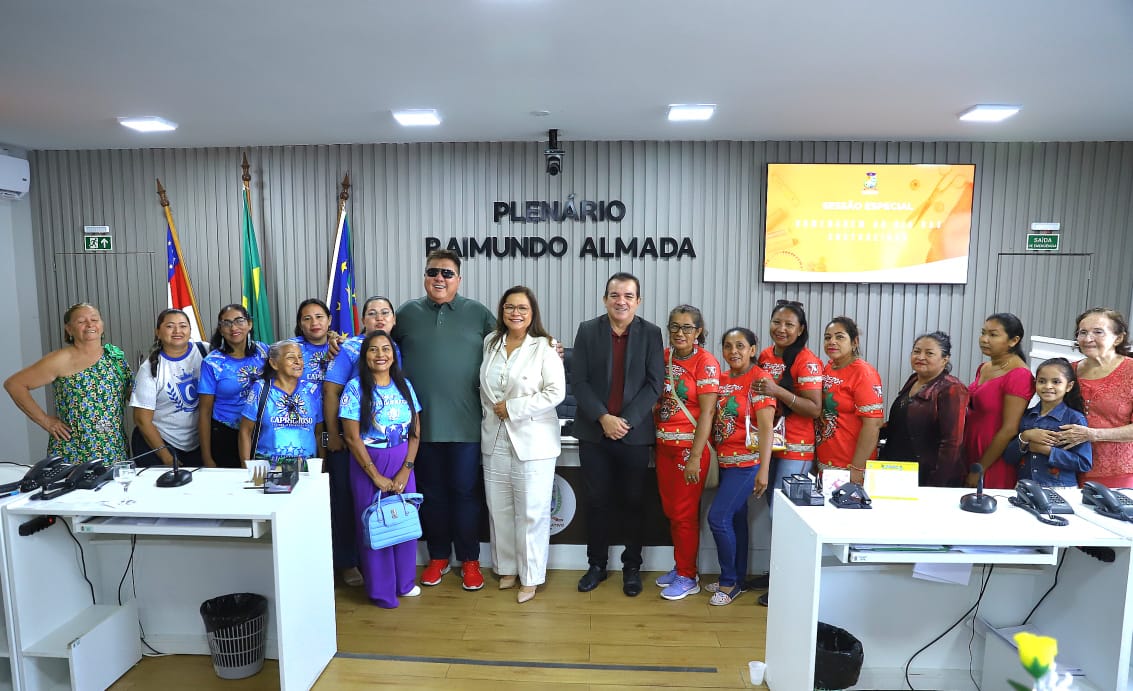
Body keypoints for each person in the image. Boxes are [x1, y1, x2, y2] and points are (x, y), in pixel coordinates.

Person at [394, 250, 496, 591]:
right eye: (433, 272)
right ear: (425, 276)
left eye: (448, 273)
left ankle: (469, 560)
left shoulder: (478, 314)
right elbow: (376, 350)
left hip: (467, 426)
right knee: (432, 496)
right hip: (420, 429)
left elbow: (512, 345)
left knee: (466, 495)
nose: (440, 278)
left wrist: (548, 346)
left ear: (459, 280)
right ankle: (438, 557)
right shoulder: (406, 314)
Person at [571, 272, 664, 597]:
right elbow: (578, 380)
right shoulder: (587, 330)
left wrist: (624, 421)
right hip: (594, 434)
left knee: (633, 503)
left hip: (634, 434)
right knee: (596, 502)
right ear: (605, 298)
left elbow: (655, 383)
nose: (620, 301)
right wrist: (603, 418)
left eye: (627, 295)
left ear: (637, 300)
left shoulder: (651, 334)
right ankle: (596, 565)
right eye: (614, 295)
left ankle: (632, 567)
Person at [479, 286, 565, 604]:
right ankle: (507, 569)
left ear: (532, 314)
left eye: (523, 308)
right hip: (495, 437)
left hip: (533, 442)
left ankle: (531, 578)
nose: (516, 313)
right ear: (502, 311)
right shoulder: (491, 342)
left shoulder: (545, 346)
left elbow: (555, 392)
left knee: (531, 512)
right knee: (499, 509)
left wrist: (513, 408)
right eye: (510, 307)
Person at [339, 330, 422, 608]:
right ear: (365, 356)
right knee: (375, 525)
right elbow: (351, 437)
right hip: (368, 464)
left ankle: (405, 582)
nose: (380, 355)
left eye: (385, 349)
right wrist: (375, 475)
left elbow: (415, 431)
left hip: (402, 462)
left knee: (403, 519)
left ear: (393, 355)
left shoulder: (405, 385)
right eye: (373, 350)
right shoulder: (354, 388)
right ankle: (381, 590)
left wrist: (406, 470)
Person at [323, 295, 399, 586]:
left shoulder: (396, 348)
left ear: (393, 319)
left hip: (384, 446)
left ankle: (377, 561)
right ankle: (347, 562)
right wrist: (333, 435)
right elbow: (331, 391)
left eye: (385, 312)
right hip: (350, 440)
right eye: (372, 313)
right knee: (345, 501)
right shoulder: (349, 349)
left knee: (377, 503)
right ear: (362, 320)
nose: (379, 318)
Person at [750, 300, 823, 596]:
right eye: (776, 322)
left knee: (784, 518)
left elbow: (815, 409)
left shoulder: (807, 361)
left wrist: (778, 391)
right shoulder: (765, 355)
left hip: (797, 450)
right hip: (770, 446)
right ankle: (777, 576)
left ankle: (789, 584)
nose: (781, 329)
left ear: (801, 329)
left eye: (789, 324)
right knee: (773, 514)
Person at [5, 302, 131, 463]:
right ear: (69, 329)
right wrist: (46, 421)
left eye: (94, 319)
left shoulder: (115, 357)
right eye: (81, 321)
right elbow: (14, 384)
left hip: (113, 448)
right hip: (73, 451)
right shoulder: (60, 359)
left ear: (102, 325)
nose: (90, 324)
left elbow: (132, 395)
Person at [653, 305, 719, 601]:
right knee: (671, 513)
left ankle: (687, 576)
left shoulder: (705, 363)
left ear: (699, 332)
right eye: (675, 327)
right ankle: (681, 566)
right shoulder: (664, 357)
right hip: (663, 447)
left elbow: (707, 413)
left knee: (684, 516)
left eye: (687, 328)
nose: (680, 333)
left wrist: (694, 456)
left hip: (688, 450)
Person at [705, 327, 775, 606]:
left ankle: (729, 582)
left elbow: (767, 428)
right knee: (735, 519)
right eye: (728, 346)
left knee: (718, 518)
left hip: (747, 464)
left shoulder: (759, 378)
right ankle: (738, 578)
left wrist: (764, 470)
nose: (734, 351)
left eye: (740, 346)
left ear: (753, 348)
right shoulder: (721, 379)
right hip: (724, 462)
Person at [879, 332, 969, 486]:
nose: (920, 357)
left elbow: (952, 443)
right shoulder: (914, 380)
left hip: (928, 475)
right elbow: (902, 423)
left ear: (944, 359)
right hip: (897, 467)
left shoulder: (952, 389)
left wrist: (935, 484)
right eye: (916, 351)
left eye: (929, 353)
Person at [1057, 308, 1133, 487]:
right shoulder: (1068, 371)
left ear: (1118, 338)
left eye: (1098, 332)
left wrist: (1092, 434)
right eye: (1082, 332)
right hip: (1068, 468)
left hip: (1118, 472)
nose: (1087, 338)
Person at [129, 309, 208, 468]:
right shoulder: (149, 369)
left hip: (196, 444)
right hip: (160, 443)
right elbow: (141, 420)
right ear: (158, 332)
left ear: (190, 330)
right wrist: (166, 458)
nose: (177, 331)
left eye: (183, 326)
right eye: (170, 326)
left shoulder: (205, 351)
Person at [963, 313, 1033, 489]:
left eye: (993, 335)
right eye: (983, 333)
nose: (984, 339)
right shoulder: (985, 367)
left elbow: (1009, 429)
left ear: (1013, 340)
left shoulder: (1019, 375)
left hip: (993, 456)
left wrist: (980, 468)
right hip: (970, 447)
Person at [815, 317, 885, 483]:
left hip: (850, 469)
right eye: (827, 337)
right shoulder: (828, 368)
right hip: (825, 464)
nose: (832, 341)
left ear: (854, 342)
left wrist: (857, 468)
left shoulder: (864, 373)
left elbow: (873, 424)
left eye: (840, 337)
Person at [198, 304, 269, 468]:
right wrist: (207, 457)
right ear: (221, 329)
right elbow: (204, 412)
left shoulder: (264, 352)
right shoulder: (212, 363)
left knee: (260, 485)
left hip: (259, 432)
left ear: (249, 324)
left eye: (239, 321)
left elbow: (292, 353)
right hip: (225, 434)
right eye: (227, 323)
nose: (233, 327)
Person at [1003, 358, 1092, 487]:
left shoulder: (1075, 419)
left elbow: (1083, 463)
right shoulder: (1026, 416)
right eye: (1042, 381)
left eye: (1056, 382)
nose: (1048, 386)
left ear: (1069, 386)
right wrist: (1025, 436)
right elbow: (1009, 458)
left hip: (1061, 490)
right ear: (1035, 383)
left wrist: (1047, 450)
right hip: (1025, 487)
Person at [238, 340, 323, 463]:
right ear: (274, 363)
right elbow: (245, 431)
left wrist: (322, 464)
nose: (298, 361)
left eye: (300, 357)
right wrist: (246, 468)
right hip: (268, 468)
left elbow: (320, 434)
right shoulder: (261, 389)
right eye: (290, 357)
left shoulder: (312, 391)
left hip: (306, 469)